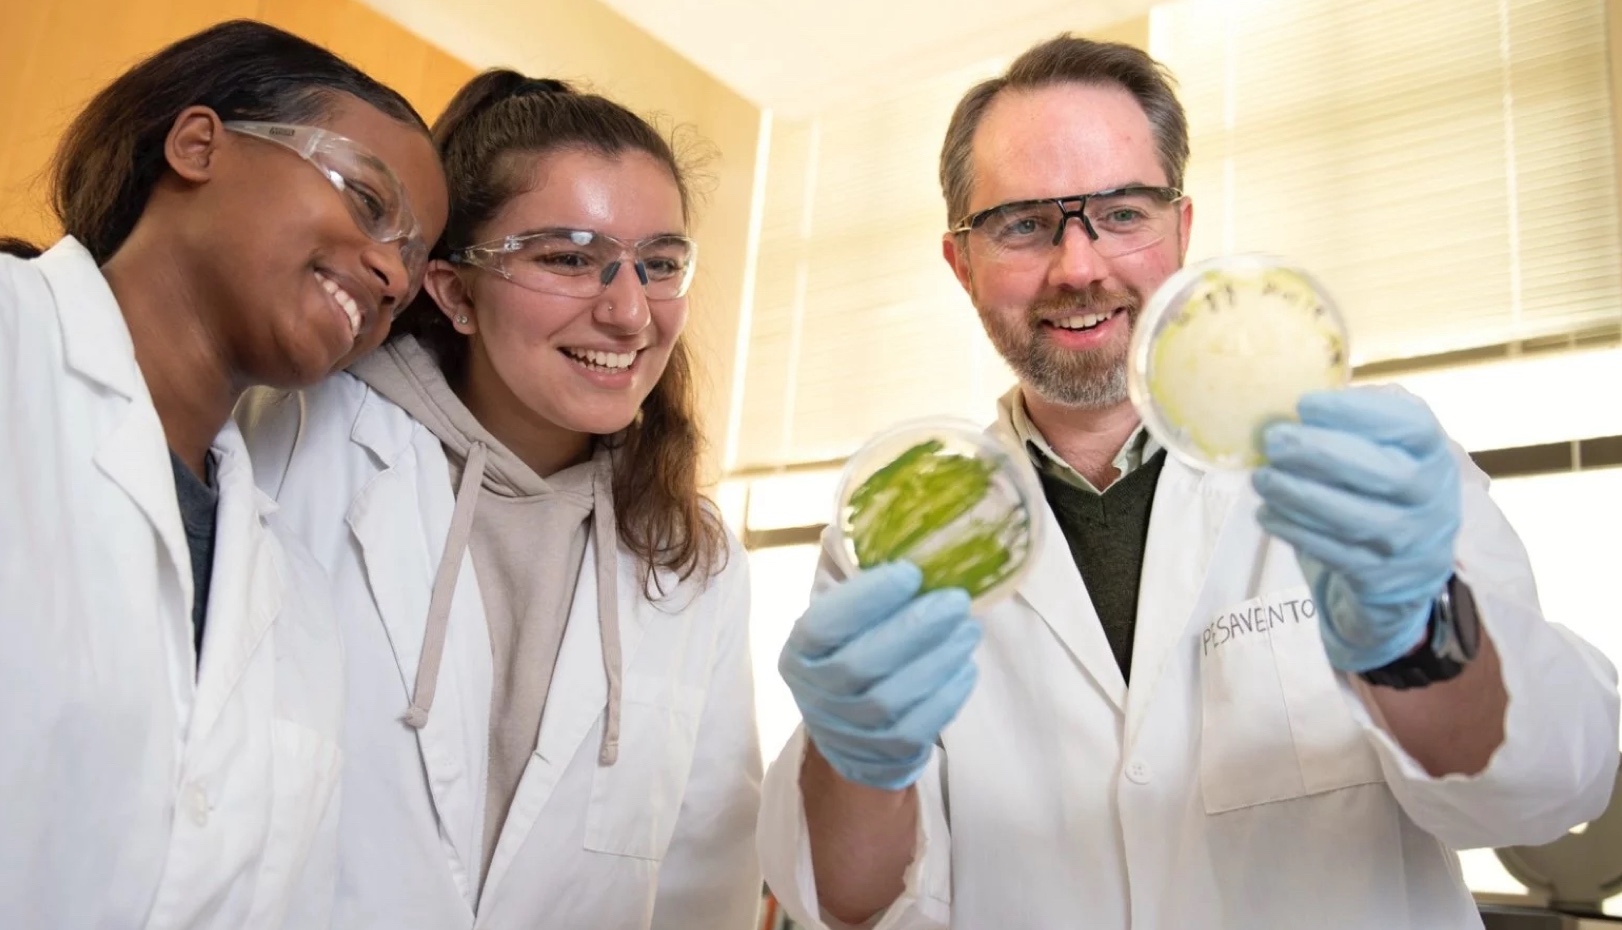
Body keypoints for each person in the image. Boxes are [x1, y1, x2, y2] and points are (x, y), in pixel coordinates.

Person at [758, 34, 1620, 930]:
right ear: (960, 263)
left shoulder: (1367, 471)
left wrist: (1423, 639)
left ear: (1182, 228)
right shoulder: (894, 528)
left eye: (1124, 212)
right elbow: (846, 903)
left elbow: (1550, 793)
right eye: (1022, 224)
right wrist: (856, 759)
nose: (1080, 266)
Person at [237, 70, 761, 929]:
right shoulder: (295, 439)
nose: (630, 312)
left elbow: (708, 871)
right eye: (569, 257)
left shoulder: (693, 555)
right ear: (454, 291)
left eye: (659, 264)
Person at [0, 19, 447, 930]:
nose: (391, 275)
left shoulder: (295, 599)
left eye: (411, 259)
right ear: (198, 145)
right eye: (368, 201)